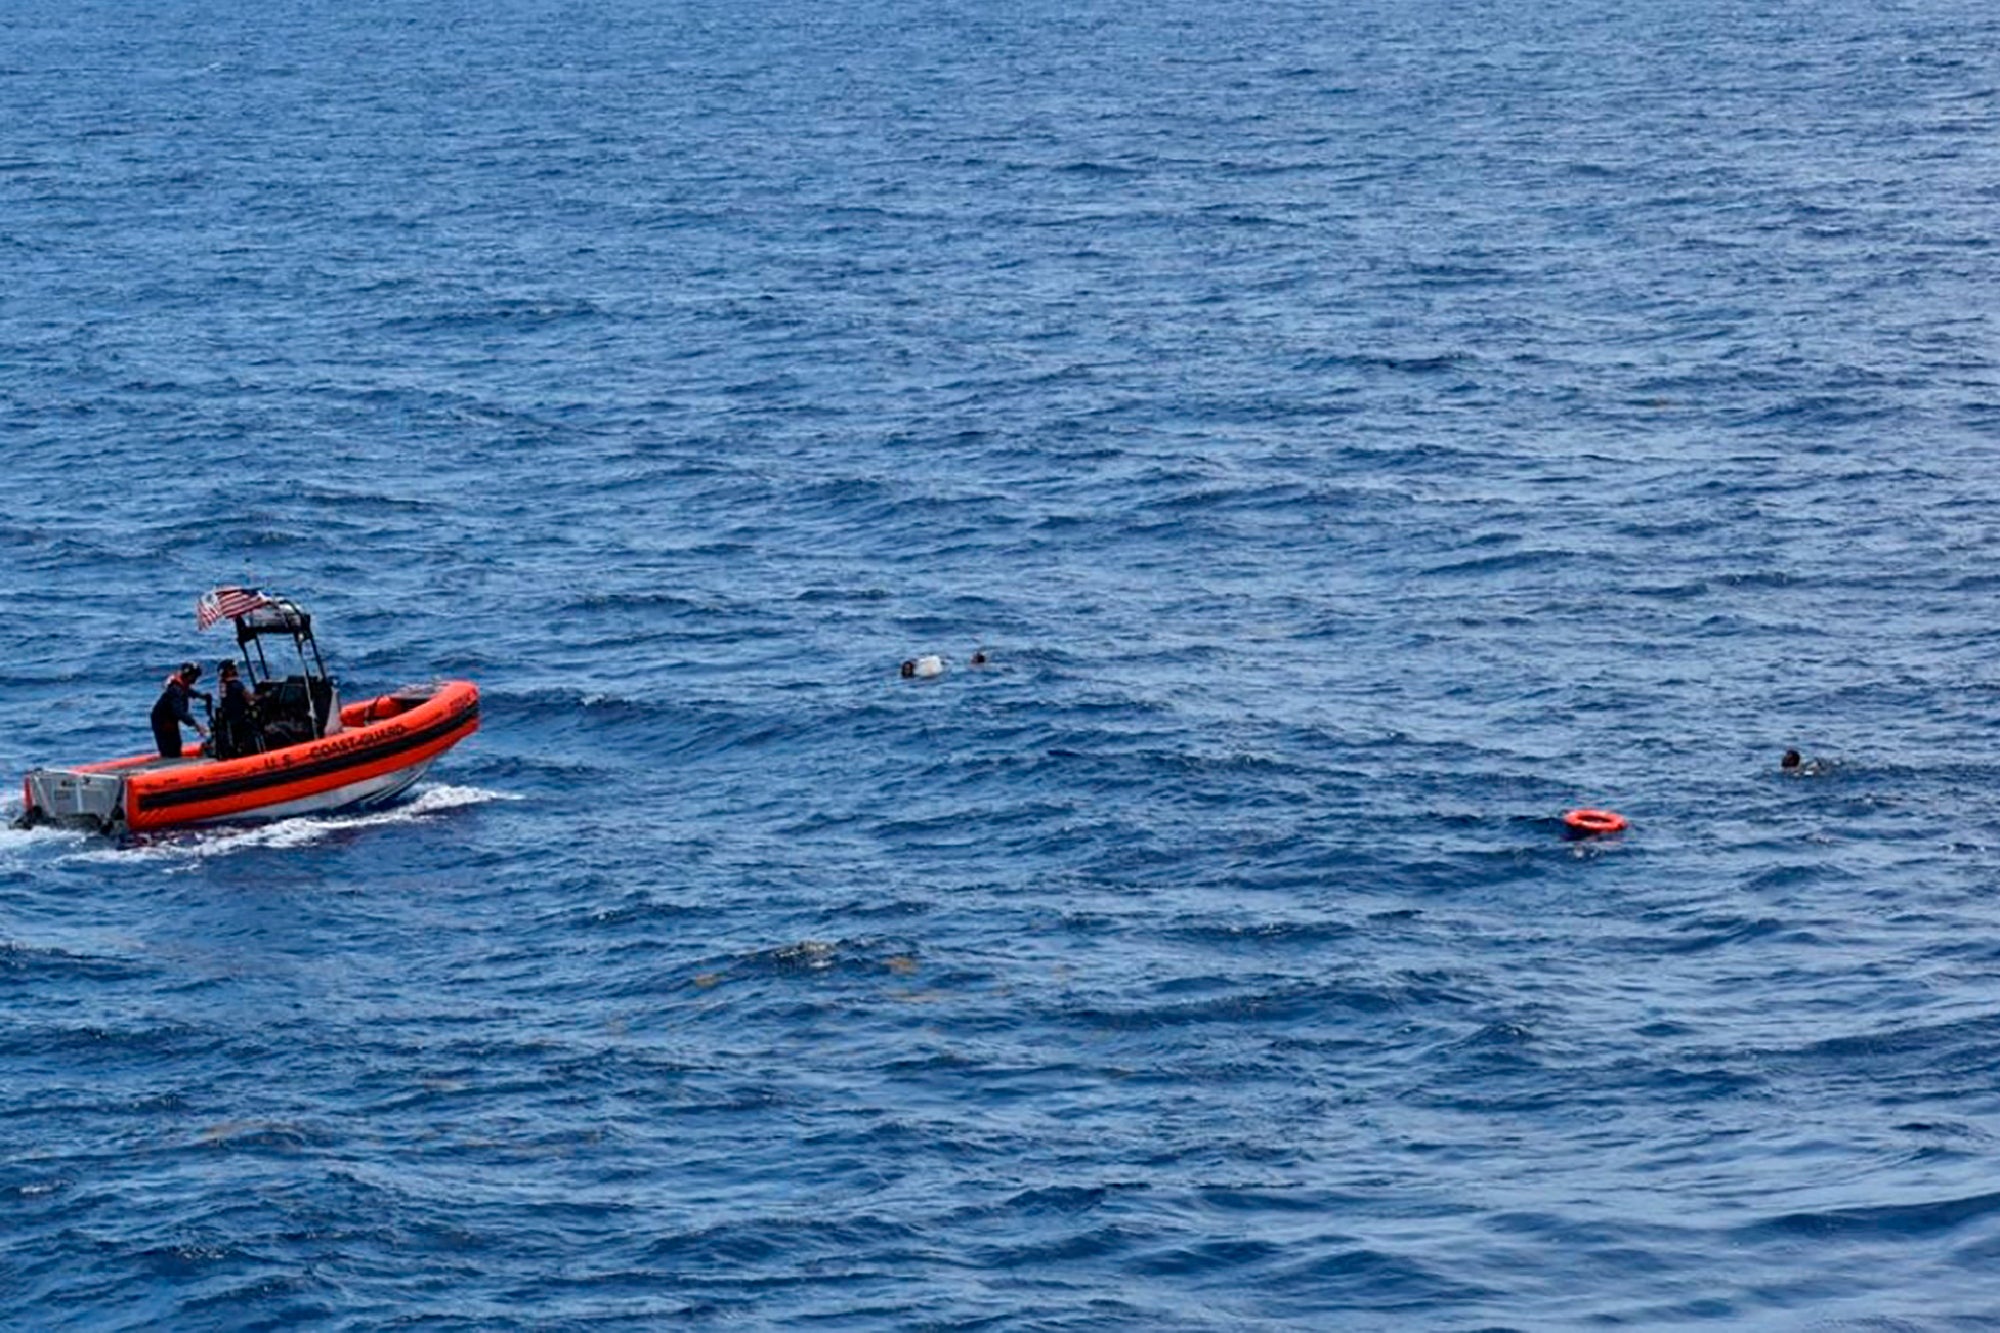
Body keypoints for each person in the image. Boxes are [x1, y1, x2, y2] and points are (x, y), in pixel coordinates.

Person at [150, 661, 209, 759]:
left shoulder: (181, 685)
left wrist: (200, 696)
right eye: (194, 676)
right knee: (170, 747)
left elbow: (187, 690)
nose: (195, 679)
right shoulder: (176, 691)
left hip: (169, 720)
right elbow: (180, 712)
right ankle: (168, 764)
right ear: (188, 675)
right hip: (163, 721)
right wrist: (197, 725)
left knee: (176, 744)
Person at [212, 659, 261, 760]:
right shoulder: (236, 685)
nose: (235, 670)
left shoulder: (223, 685)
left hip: (230, 719)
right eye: (232, 668)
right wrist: (264, 696)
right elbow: (250, 698)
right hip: (240, 718)